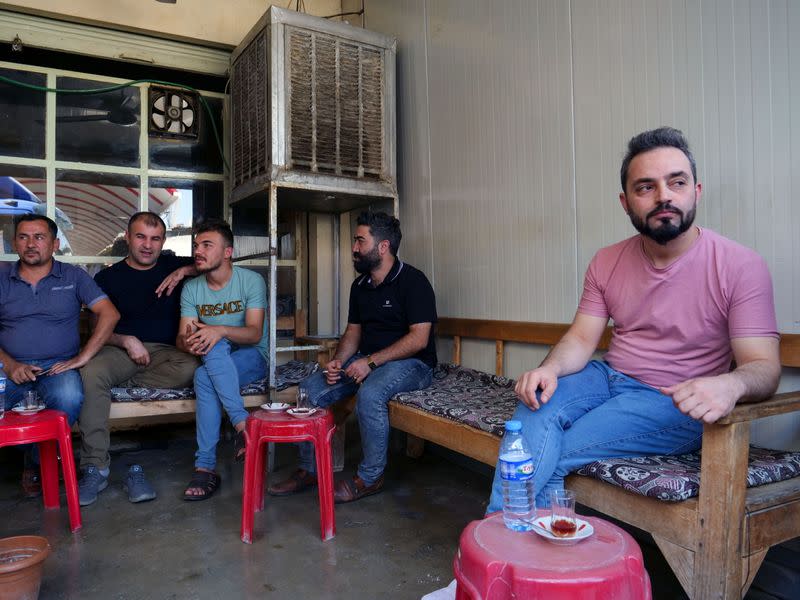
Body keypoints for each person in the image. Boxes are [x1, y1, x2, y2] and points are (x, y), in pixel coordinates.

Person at [487, 126, 781, 512]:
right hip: (608, 377)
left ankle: (503, 559)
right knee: (533, 415)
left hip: (671, 399)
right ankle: (495, 555)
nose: (664, 196)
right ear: (626, 202)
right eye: (646, 187)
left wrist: (729, 385)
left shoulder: (740, 266)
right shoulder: (606, 260)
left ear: (696, 190)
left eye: (676, 182)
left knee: (552, 453)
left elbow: (764, 367)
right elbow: (580, 339)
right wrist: (550, 371)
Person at [268, 211, 438, 504]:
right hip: (367, 359)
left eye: (360, 240)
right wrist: (338, 361)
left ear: (383, 247)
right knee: (311, 388)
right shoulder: (360, 286)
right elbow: (352, 332)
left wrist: (370, 362)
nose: (354, 247)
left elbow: (419, 338)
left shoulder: (414, 281)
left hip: (414, 365)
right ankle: (309, 470)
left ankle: (370, 478)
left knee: (371, 394)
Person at [77, 211, 200, 506]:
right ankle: (95, 466)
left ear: (163, 242)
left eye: (155, 239)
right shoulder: (108, 276)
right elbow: (96, 328)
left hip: (166, 354)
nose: (148, 245)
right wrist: (125, 340)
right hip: (118, 351)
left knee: (191, 366)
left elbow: (217, 262)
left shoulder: (173, 264)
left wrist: (185, 271)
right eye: (141, 237)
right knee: (92, 370)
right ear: (128, 237)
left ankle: (111, 384)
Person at [0, 214, 119, 497]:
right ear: (14, 242)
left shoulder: (74, 276)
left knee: (69, 397)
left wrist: (83, 357)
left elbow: (109, 313)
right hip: (8, 366)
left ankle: (37, 462)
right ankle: (40, 459)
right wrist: (9, 363)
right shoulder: (2, 278)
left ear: (54, 244)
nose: (31, 244)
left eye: (39, 237)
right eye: (24, 237)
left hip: (58, 367)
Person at [178, 219, 268, 501]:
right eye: (196, 246)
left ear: (227, 252)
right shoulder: (192, 289)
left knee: (209, 359)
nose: (198, 251)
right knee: (206, 369)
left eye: (207, 245)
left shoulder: (251, 281)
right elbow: (182, 337)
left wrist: (220, 330)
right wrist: (192, 341)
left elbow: (254, 334)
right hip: (215, 359)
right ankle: (244, 426)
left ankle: (205, 467)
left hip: (252, 356)